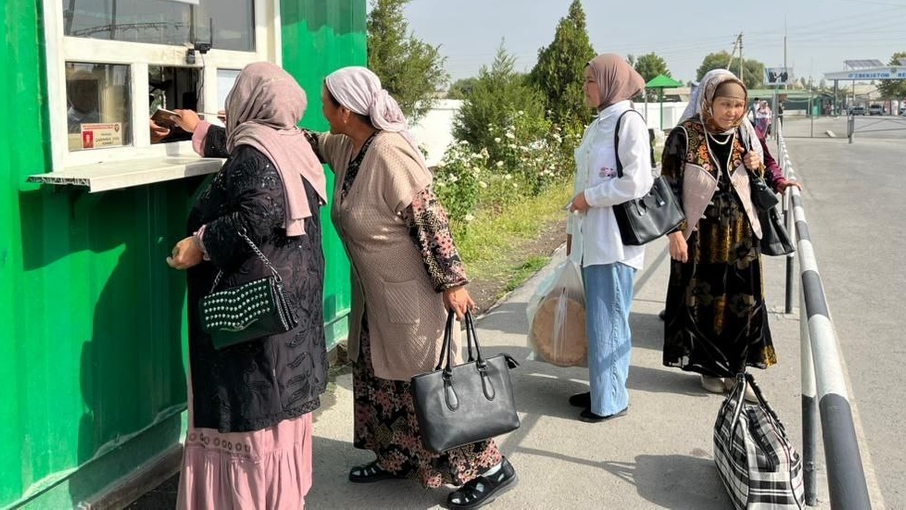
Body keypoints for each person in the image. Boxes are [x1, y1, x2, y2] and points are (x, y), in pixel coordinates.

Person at [309, 66, 517, 510]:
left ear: (346, 110)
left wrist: (452, 281)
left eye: (326, 103)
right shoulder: (348, 147)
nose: (321, 109)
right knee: (384, 380)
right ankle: (396, 457)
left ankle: (491, 467)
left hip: (412, 296)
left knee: (436, 385)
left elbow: (429, 218)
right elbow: (304, 141)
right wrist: (218, 130)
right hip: (377, 298)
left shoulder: (388, 151)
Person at [165, 62, 329, 510]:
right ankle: (280, 496)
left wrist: (201, 243)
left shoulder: (255, 153)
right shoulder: (290, 143)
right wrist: (196, 129)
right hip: (290, 300)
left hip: (254, 312)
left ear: (248, 100)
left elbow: (259, 211)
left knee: (251, 406)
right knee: (278, 402)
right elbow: (248, 161)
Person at [661, 69, 778, 396]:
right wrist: (674, 233)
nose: (733, 112)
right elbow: (667, 188)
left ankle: (737, 371)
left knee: (742, 304)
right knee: (705, 305)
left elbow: (759, 182)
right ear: (708, 101)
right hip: (700, 239)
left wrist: (756, 166)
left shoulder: (744, 134)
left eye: (739, 105)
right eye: (726, 104)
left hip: (741, 238)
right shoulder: (684, 135)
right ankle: (711, 370)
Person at [564, 54, 653, 422]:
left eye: (591, 80)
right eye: (586, 80)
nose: (585, 87)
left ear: (610, 82)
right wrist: (572, 232)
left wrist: (590, 198)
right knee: (599, 323)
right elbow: (581, 179)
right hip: (592, 238)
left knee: (611, 321)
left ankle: (611, 400)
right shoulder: (598, 124)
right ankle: (603, 387)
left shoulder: (629, 123)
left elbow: (638, 182)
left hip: (614, 241)